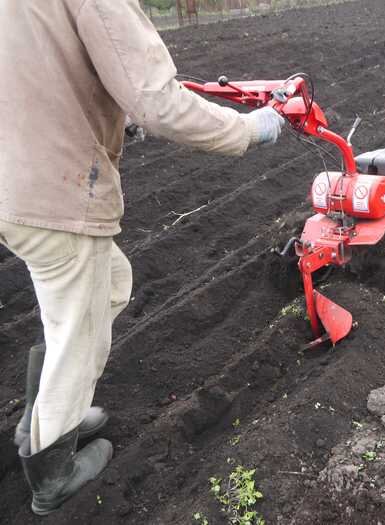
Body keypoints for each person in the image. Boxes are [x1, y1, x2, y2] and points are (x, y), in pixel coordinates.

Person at [0, 0, 283, 515]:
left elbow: (39, 70)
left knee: (105, 284)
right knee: (79, 327)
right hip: (52, 192)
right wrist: (251, 128)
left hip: (17, 179)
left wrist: (114, 113)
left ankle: (46, 414)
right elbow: (160, 101)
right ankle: (52, 471)